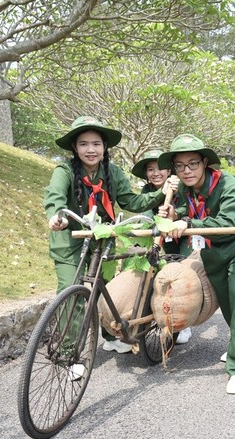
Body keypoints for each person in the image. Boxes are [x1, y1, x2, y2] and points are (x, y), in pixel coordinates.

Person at [44, 116, 176, 360]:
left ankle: (109, 338)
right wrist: (56, 216)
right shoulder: (64, 171)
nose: (91, 150)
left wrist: (160, 194)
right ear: (74, 147)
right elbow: (55, 197)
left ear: (105, 147)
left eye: (96, 143)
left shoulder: (113, 172)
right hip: (70, 239)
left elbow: (131, 201)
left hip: (102, 240)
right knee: (71, 293)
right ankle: (67, 354)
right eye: (84, 144)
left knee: (105, 288)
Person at [157, 134, 235, 394]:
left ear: (205, 163)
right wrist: (173, 214)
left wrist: (189, 224)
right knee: (225, 301)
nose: (187, 170)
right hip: (212, 250)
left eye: (192, 163)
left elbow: (226, 221)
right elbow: (182, 211)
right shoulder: (184, 189)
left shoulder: (228, 184)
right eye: (180, 166)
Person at [131, 149, 192, 345]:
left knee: (181, 275)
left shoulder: (181, 185)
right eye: (150, 169)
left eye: (160, 168)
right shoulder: (147, 191)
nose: (155, 173)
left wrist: (176, 215)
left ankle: (185, 323)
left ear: (168, 171)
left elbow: (188, 208)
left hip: (181, 235)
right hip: (157, 236)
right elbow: (145, 214)